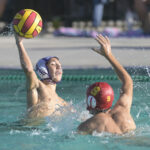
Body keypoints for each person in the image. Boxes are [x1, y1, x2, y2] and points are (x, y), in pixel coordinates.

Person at [77, 34, 136, 134]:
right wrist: (108, 55)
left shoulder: (89, 124)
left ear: (91, 102)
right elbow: (128, 81)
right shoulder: (123, 108)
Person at [14, 34, 68, 119]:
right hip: (29, 130)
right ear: (43, 70)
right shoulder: (38, 86)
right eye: (53, 64)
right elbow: (28, 70)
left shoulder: (62, 102)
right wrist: (19, 43)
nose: (59, 67)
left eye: (60, 65)